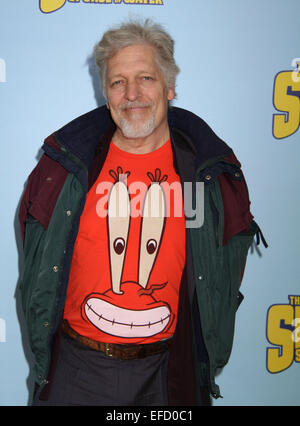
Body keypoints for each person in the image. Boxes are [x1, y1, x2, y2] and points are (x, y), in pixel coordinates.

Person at [18, 18, 265, 406]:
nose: (131, 93)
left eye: (145, 78)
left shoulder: (200, 172)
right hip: (77, 372)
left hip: (169, 374)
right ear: (106, 91)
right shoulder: (69, 167)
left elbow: (217, 267)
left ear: (169, 86)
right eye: (118, 82)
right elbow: (38, 260)